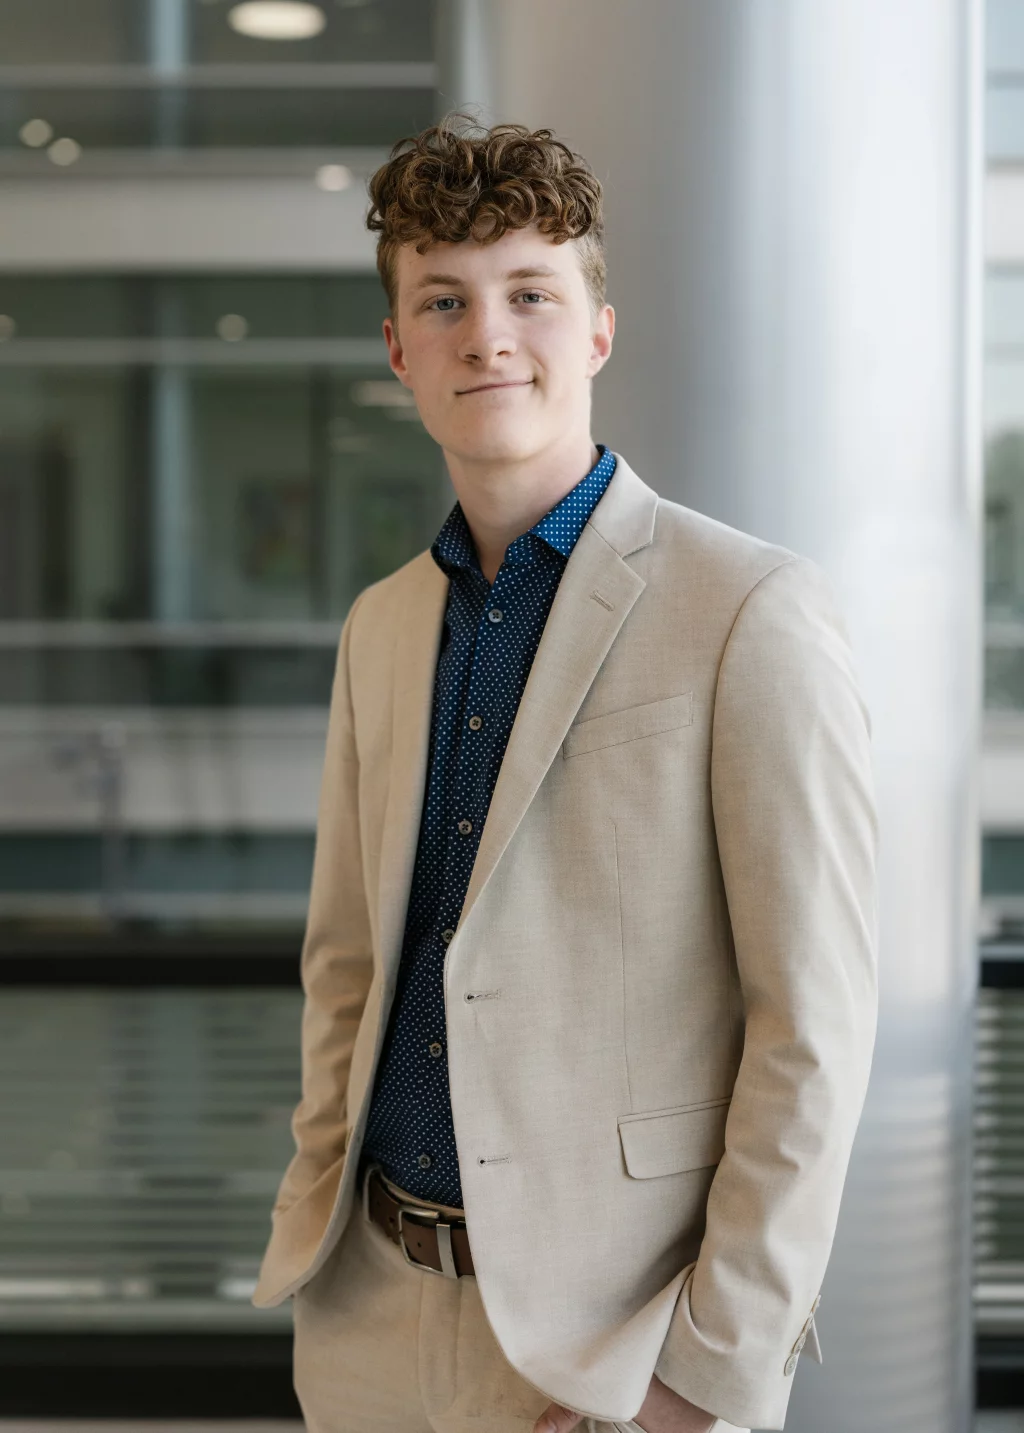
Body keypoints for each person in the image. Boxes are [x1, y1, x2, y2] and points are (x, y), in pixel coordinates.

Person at [252, 114, 879, 1433]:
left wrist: (697, 1376)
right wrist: (315, 1224)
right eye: (445, 302)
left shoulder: (749, 609)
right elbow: (348, 965)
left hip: (607, 1351)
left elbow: (811, 1029)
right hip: (369, 1316)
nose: (489, 336)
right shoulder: (382, 627)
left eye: (531, 294)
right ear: (399, 351)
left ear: (596, 330)